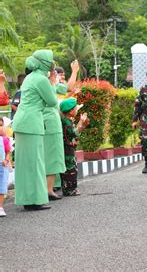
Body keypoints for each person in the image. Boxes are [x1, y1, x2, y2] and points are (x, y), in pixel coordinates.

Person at [12, 50, 58, 211]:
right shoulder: (41, 79)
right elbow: (52, 102)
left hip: (22, 122)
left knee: (25, 164)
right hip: (31, 124)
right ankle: (35, 200)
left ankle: (28, 199)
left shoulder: (30, 77)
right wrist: (53, 82)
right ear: (44, 63)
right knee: (36, 162)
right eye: (50, 60)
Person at [44, 60, 80, 200]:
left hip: (55, 122)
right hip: (48, 123)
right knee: (55, 158)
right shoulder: (43, 83)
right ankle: (55, 188)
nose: (59, 77)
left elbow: (68, 88)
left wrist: (75, 71)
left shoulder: (53, 85)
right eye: (56, 74)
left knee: (57, 158)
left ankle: (54, 187)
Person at [59, 98, 89, 196]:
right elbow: (73, 134)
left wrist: (80, 121)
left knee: (68, 168)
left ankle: (67, 188)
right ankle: (70, 189)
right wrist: (83, 126)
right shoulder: (66, 122)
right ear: (71, 111)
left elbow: (74, 133)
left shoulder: (66, 120)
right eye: (76, 109)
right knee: (70, 168)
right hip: (67, 148)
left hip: (68, 147)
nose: (77, 110)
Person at [0, 117, 12, 217]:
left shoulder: (5, 140)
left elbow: (8, 152)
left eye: (1, 126)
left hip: (2, 167)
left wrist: (6, 160)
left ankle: (0, 207)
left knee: (2, 187)